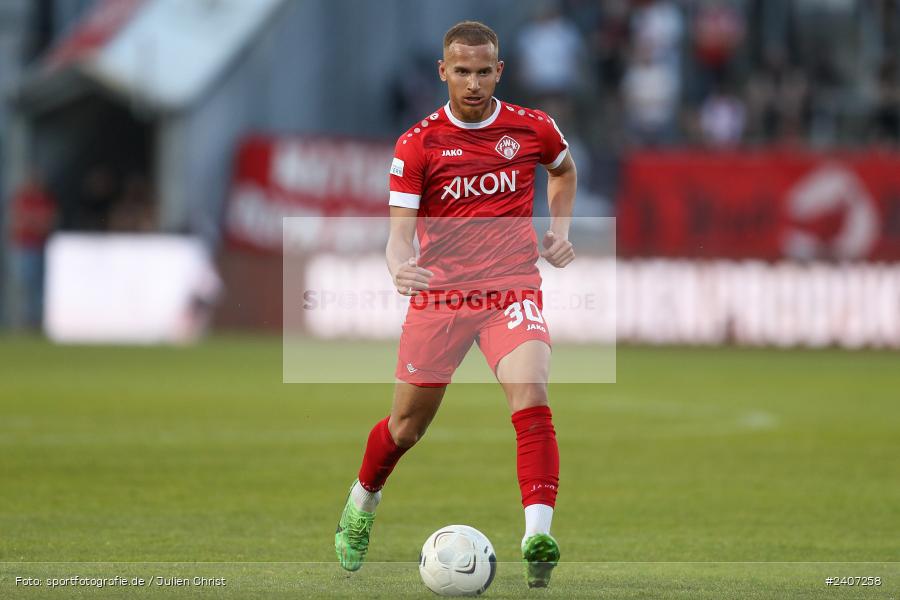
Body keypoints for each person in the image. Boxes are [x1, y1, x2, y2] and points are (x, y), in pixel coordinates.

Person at [334, 21, 577, 589]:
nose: (473, 83)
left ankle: (536, 536)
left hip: (510, 287)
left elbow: (563, 170)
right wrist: (399, 267)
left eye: (483, 71)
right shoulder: (418, 143)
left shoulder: (533, 127)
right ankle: (361, 502)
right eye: (461, 72)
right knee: (404, 429)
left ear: (500, 70)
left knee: (532, 393)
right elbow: (398, 236)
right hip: (441, 296)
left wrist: (559, 229)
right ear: (443, 72)